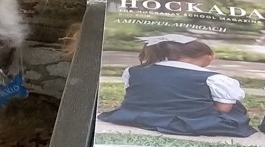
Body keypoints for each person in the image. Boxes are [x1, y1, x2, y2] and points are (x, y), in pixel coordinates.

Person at [98, 36, 255, 137]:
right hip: (189, 122)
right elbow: (223, 109)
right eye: (210, 57)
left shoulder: (134, 71)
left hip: (135, 114)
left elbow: (137, 93)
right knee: (235, 108)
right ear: (199, 56)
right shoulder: (215, 78)